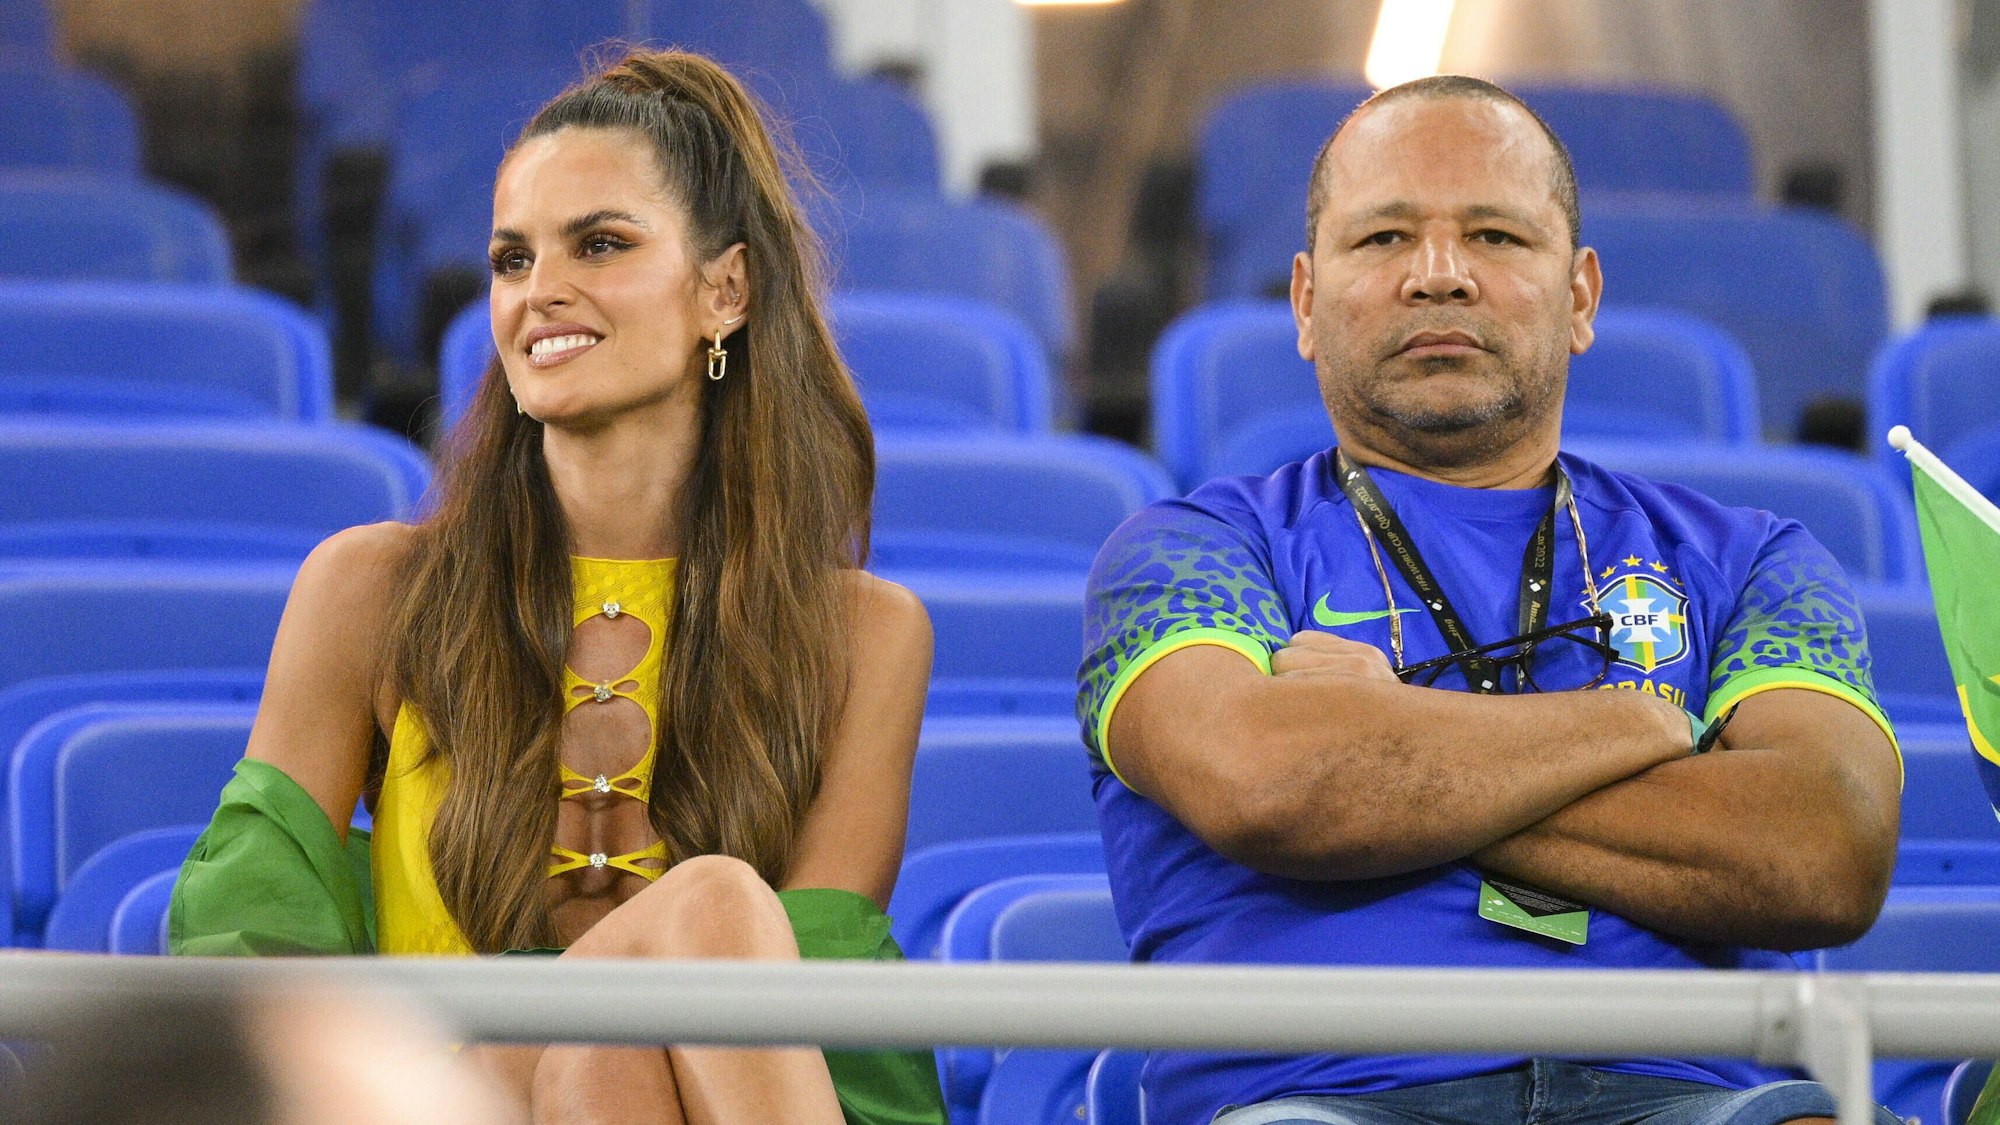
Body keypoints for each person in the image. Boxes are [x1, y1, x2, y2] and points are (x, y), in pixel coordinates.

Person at [1076, 76, 1903, 1125]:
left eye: (1495, 237)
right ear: (1302, 301)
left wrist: (1379, 752)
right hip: (1318, 1097)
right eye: (1380, 239)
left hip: (1686, 1096)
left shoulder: (1750, 562)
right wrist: (1637, 720)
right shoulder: (1187, 550)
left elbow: (1824, 853)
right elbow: (1265, 784)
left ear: (1579, 298)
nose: (1437, 277)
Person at [170, 48, 946, 1125]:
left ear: (724, 290)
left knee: (607, 1063)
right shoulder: (367, 588)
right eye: (510, 259)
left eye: (601, 244)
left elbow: (818, 994)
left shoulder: (866, 633)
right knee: (711, 909)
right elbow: (252, 941)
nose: (541, 292)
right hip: (424, 1099)